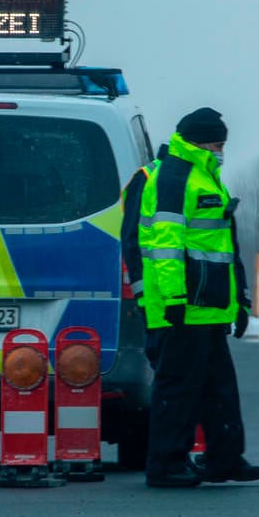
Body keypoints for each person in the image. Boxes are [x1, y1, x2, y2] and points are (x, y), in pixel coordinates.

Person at [139, 107, 259, 488]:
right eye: (216, 143)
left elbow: (223, 248)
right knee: (177, 390)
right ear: (197, 141)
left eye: (223, 144)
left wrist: (240, 301)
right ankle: (165, 465)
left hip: (209, 307)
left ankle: (224, 459)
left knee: (219, 390)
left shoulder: (205, 176)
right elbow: (164, 243)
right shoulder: (175, 177)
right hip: (181, 308)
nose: (221, 150)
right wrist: (175, 297)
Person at [119, 143, 168, 366]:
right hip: (157, 297)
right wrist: (141, 294)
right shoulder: (149, 177)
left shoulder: (203, 178)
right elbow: (131, 240)